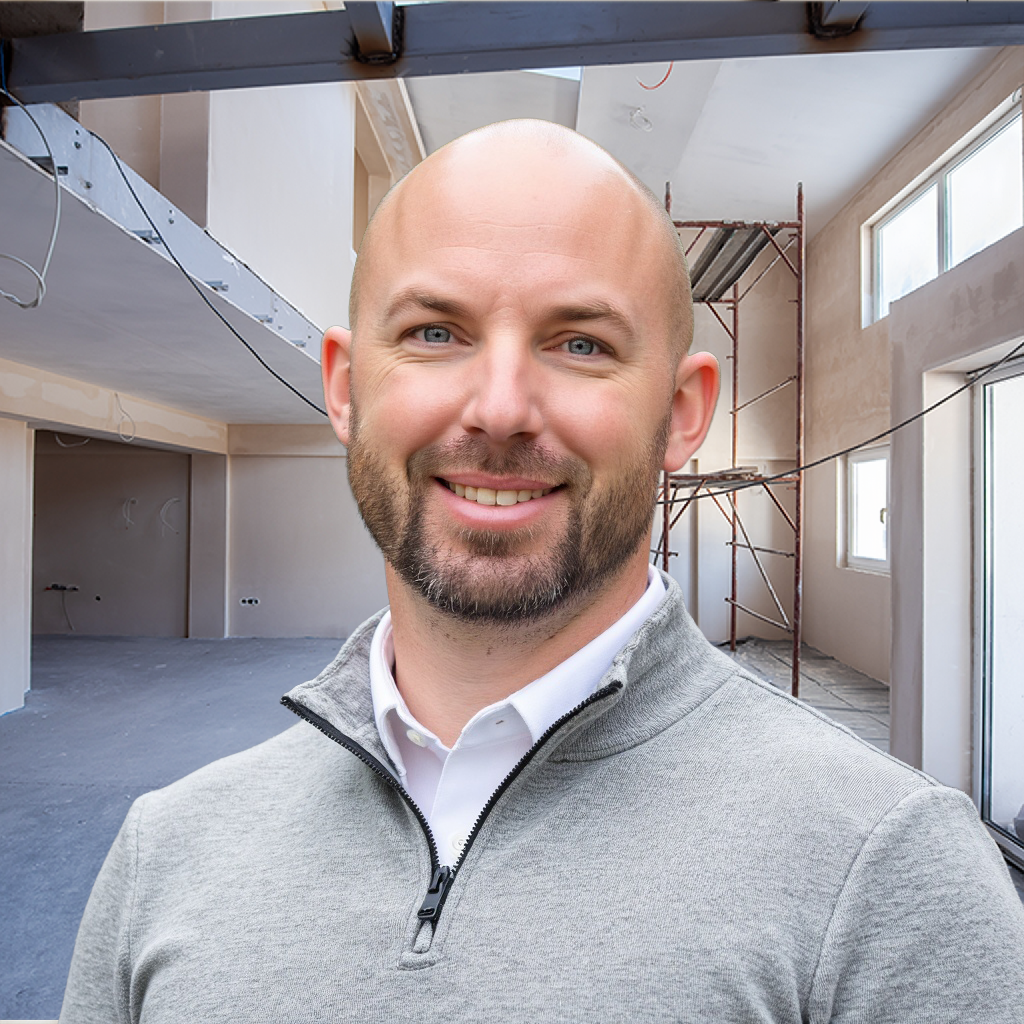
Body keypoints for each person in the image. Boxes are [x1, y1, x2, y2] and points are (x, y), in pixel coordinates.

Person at [60, 120, 1024, 1023]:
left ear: (684, 413)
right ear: (348, 389)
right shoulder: (167, 851)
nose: (501, 407)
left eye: (580, 343)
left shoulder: (889, 871)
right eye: (435, 332)